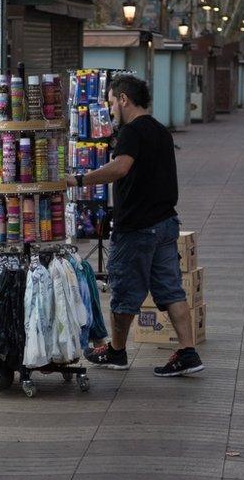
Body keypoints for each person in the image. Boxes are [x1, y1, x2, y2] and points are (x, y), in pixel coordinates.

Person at [65, 75, 204, 377]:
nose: (111, 107)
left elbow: (120, 167)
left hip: (138, 228)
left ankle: (116, 351)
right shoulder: (160, 131)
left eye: (113, 101)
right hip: (165, 223)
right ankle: (188, 352)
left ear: (124, 99)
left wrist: (79, 179)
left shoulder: (131, 132)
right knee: (171, 292)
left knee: (124, 293)